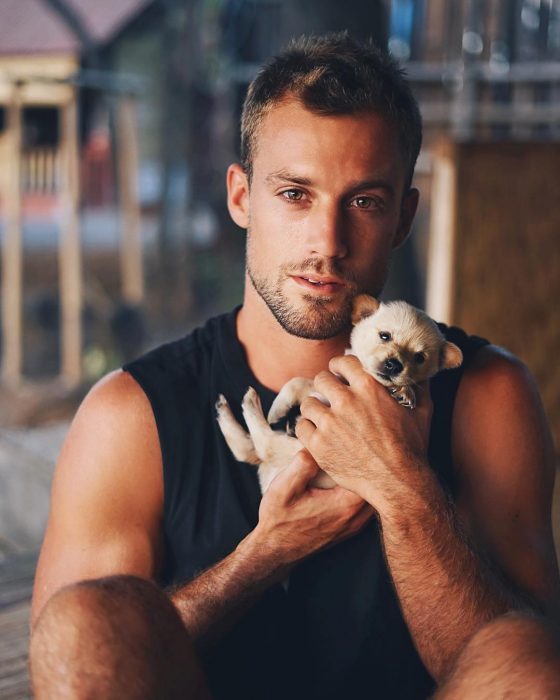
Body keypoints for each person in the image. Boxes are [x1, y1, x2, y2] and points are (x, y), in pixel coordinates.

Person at [29, 33, 560, 699]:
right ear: (241, 197)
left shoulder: (487, 394)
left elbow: (522, 668)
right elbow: (82, 661)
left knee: (526, 653)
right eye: (294, 195)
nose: (327, 244)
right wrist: (263, 554)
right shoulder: (131, 416)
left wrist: (401, 486)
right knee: (83, 624)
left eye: (364, 201)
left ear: (403, 216)